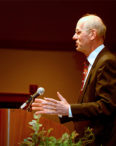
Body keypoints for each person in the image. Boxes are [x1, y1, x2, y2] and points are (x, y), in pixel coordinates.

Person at [32, 14, 116, 145]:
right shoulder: (95, 63)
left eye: (78, 32)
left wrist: (69, 109)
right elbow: (90, 106)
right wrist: (62, 110)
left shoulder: (107, 61)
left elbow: (106, 106)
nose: (74, 37)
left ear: (92, 34)